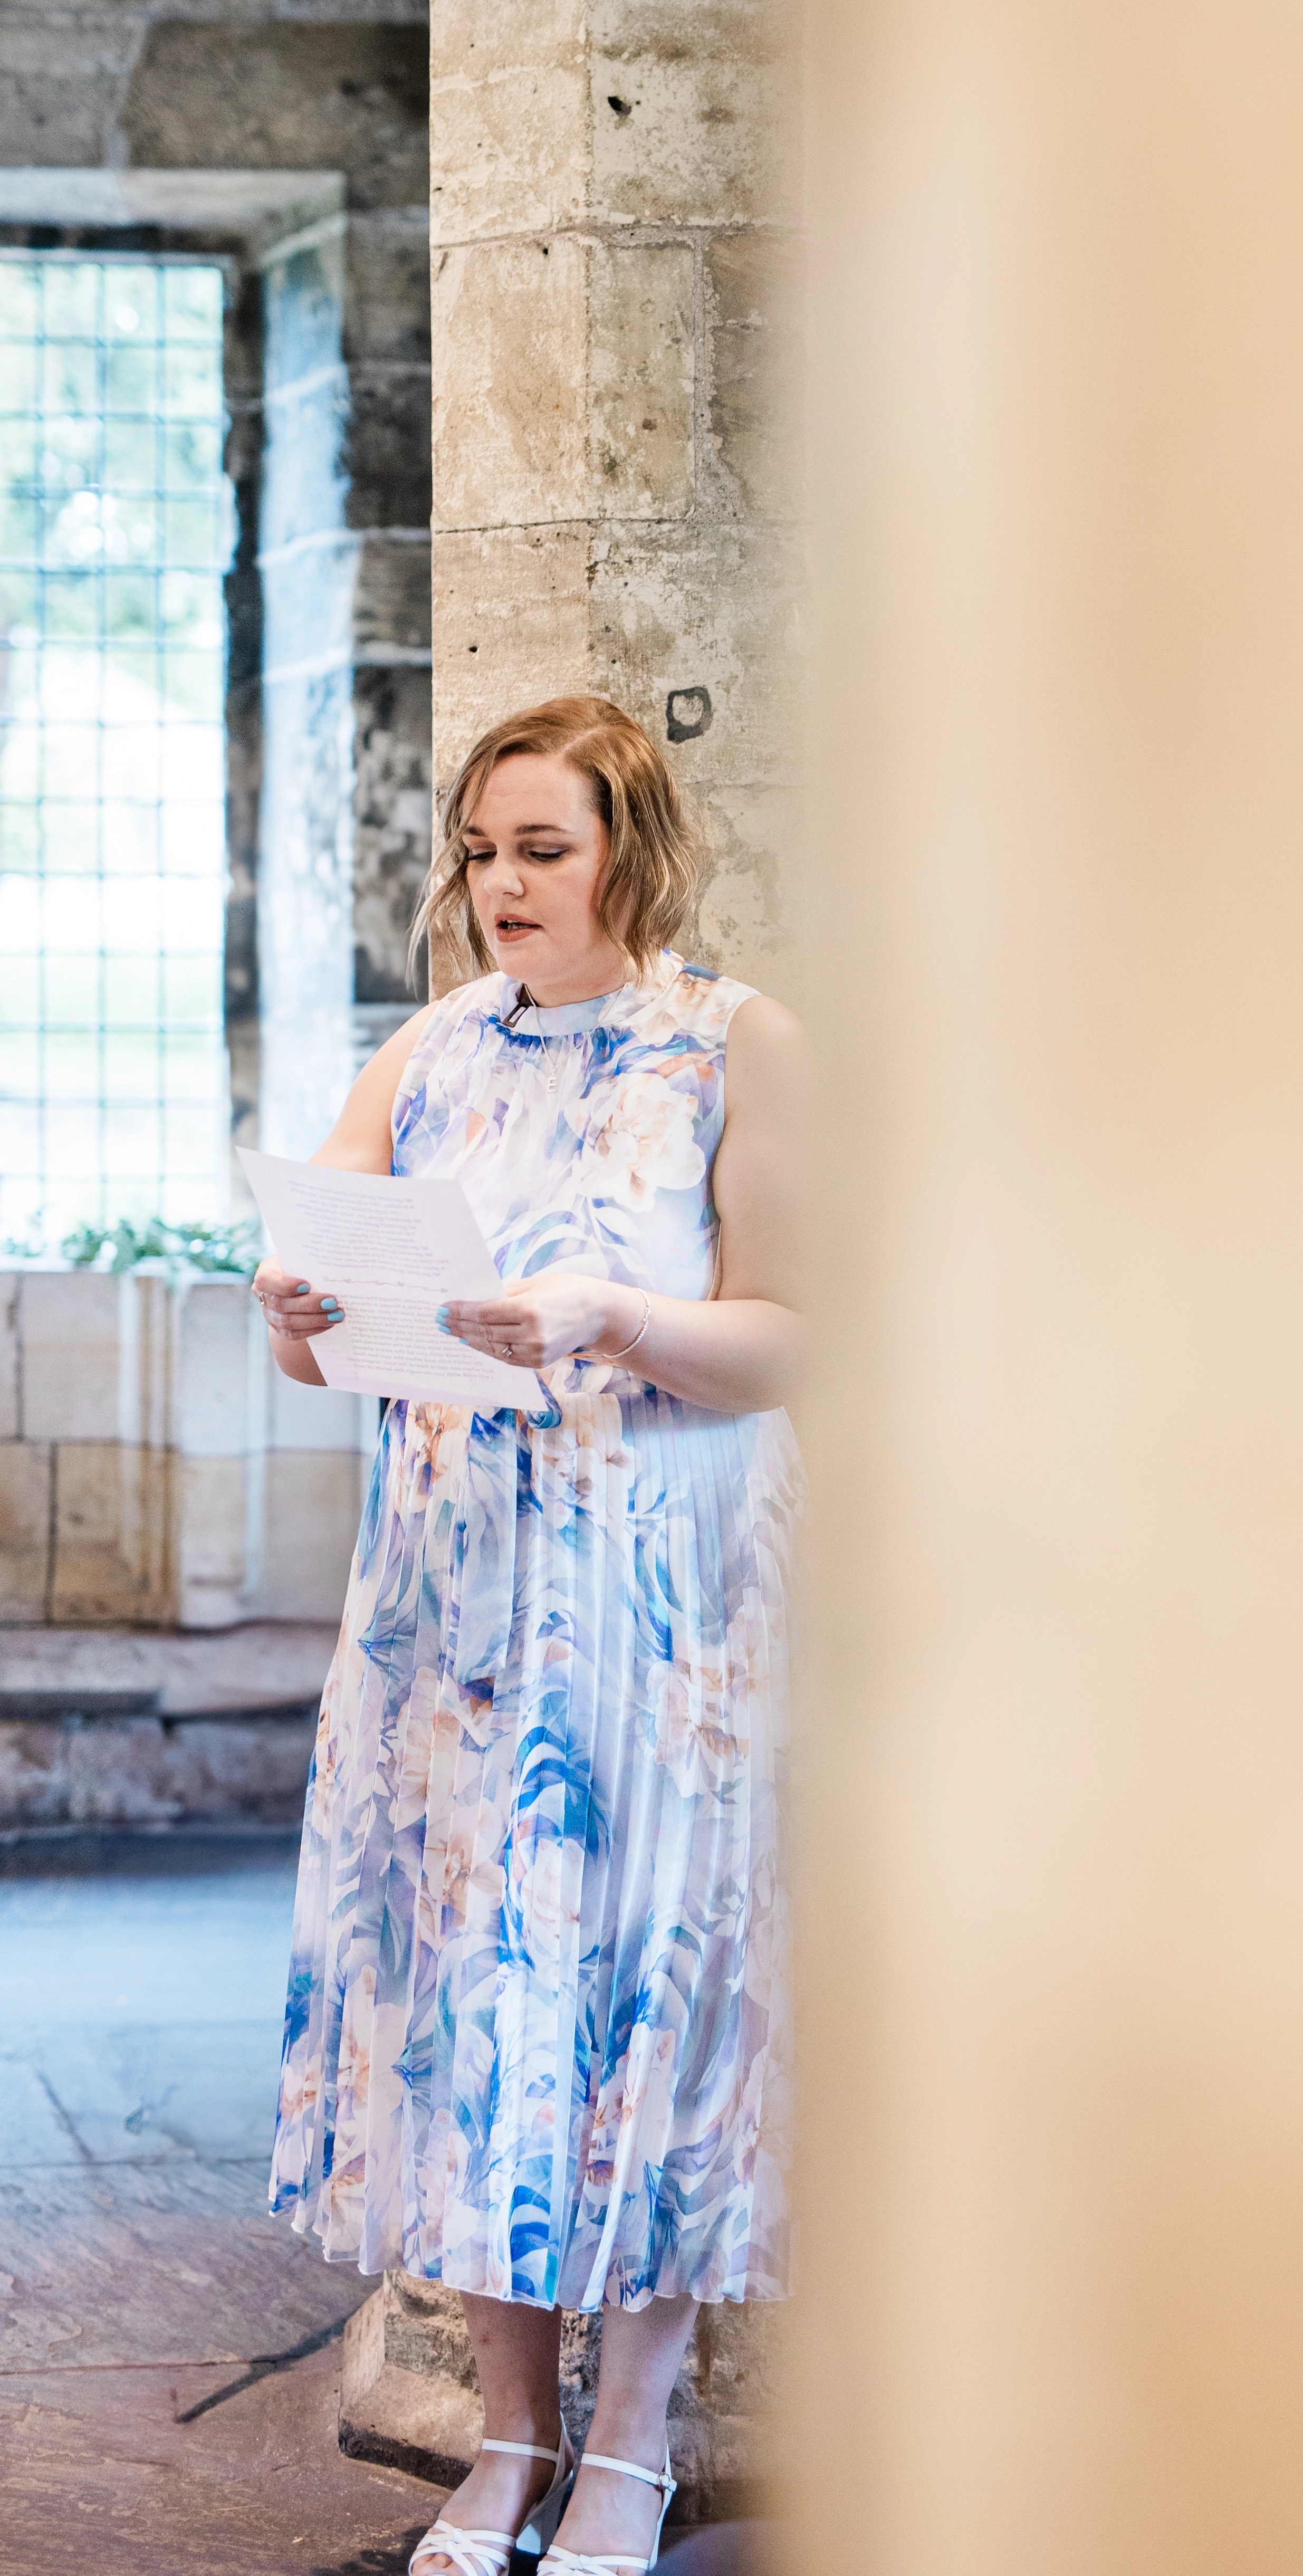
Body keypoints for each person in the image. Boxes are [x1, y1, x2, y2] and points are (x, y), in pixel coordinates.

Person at [256, 696, 801, 2576]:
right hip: (459, 1618)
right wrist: (298, 1303)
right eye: (480, 849)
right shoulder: (424, 1050)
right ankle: (507, 2441)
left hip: (664, 1619)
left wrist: (608, 1314)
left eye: (540, 847)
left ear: (630, 850)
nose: (499, 883)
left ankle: (634, 2449)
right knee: (483, 2021)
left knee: (653, 2008)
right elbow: (313, 1306)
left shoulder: (733, 1041)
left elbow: (799, 1330)